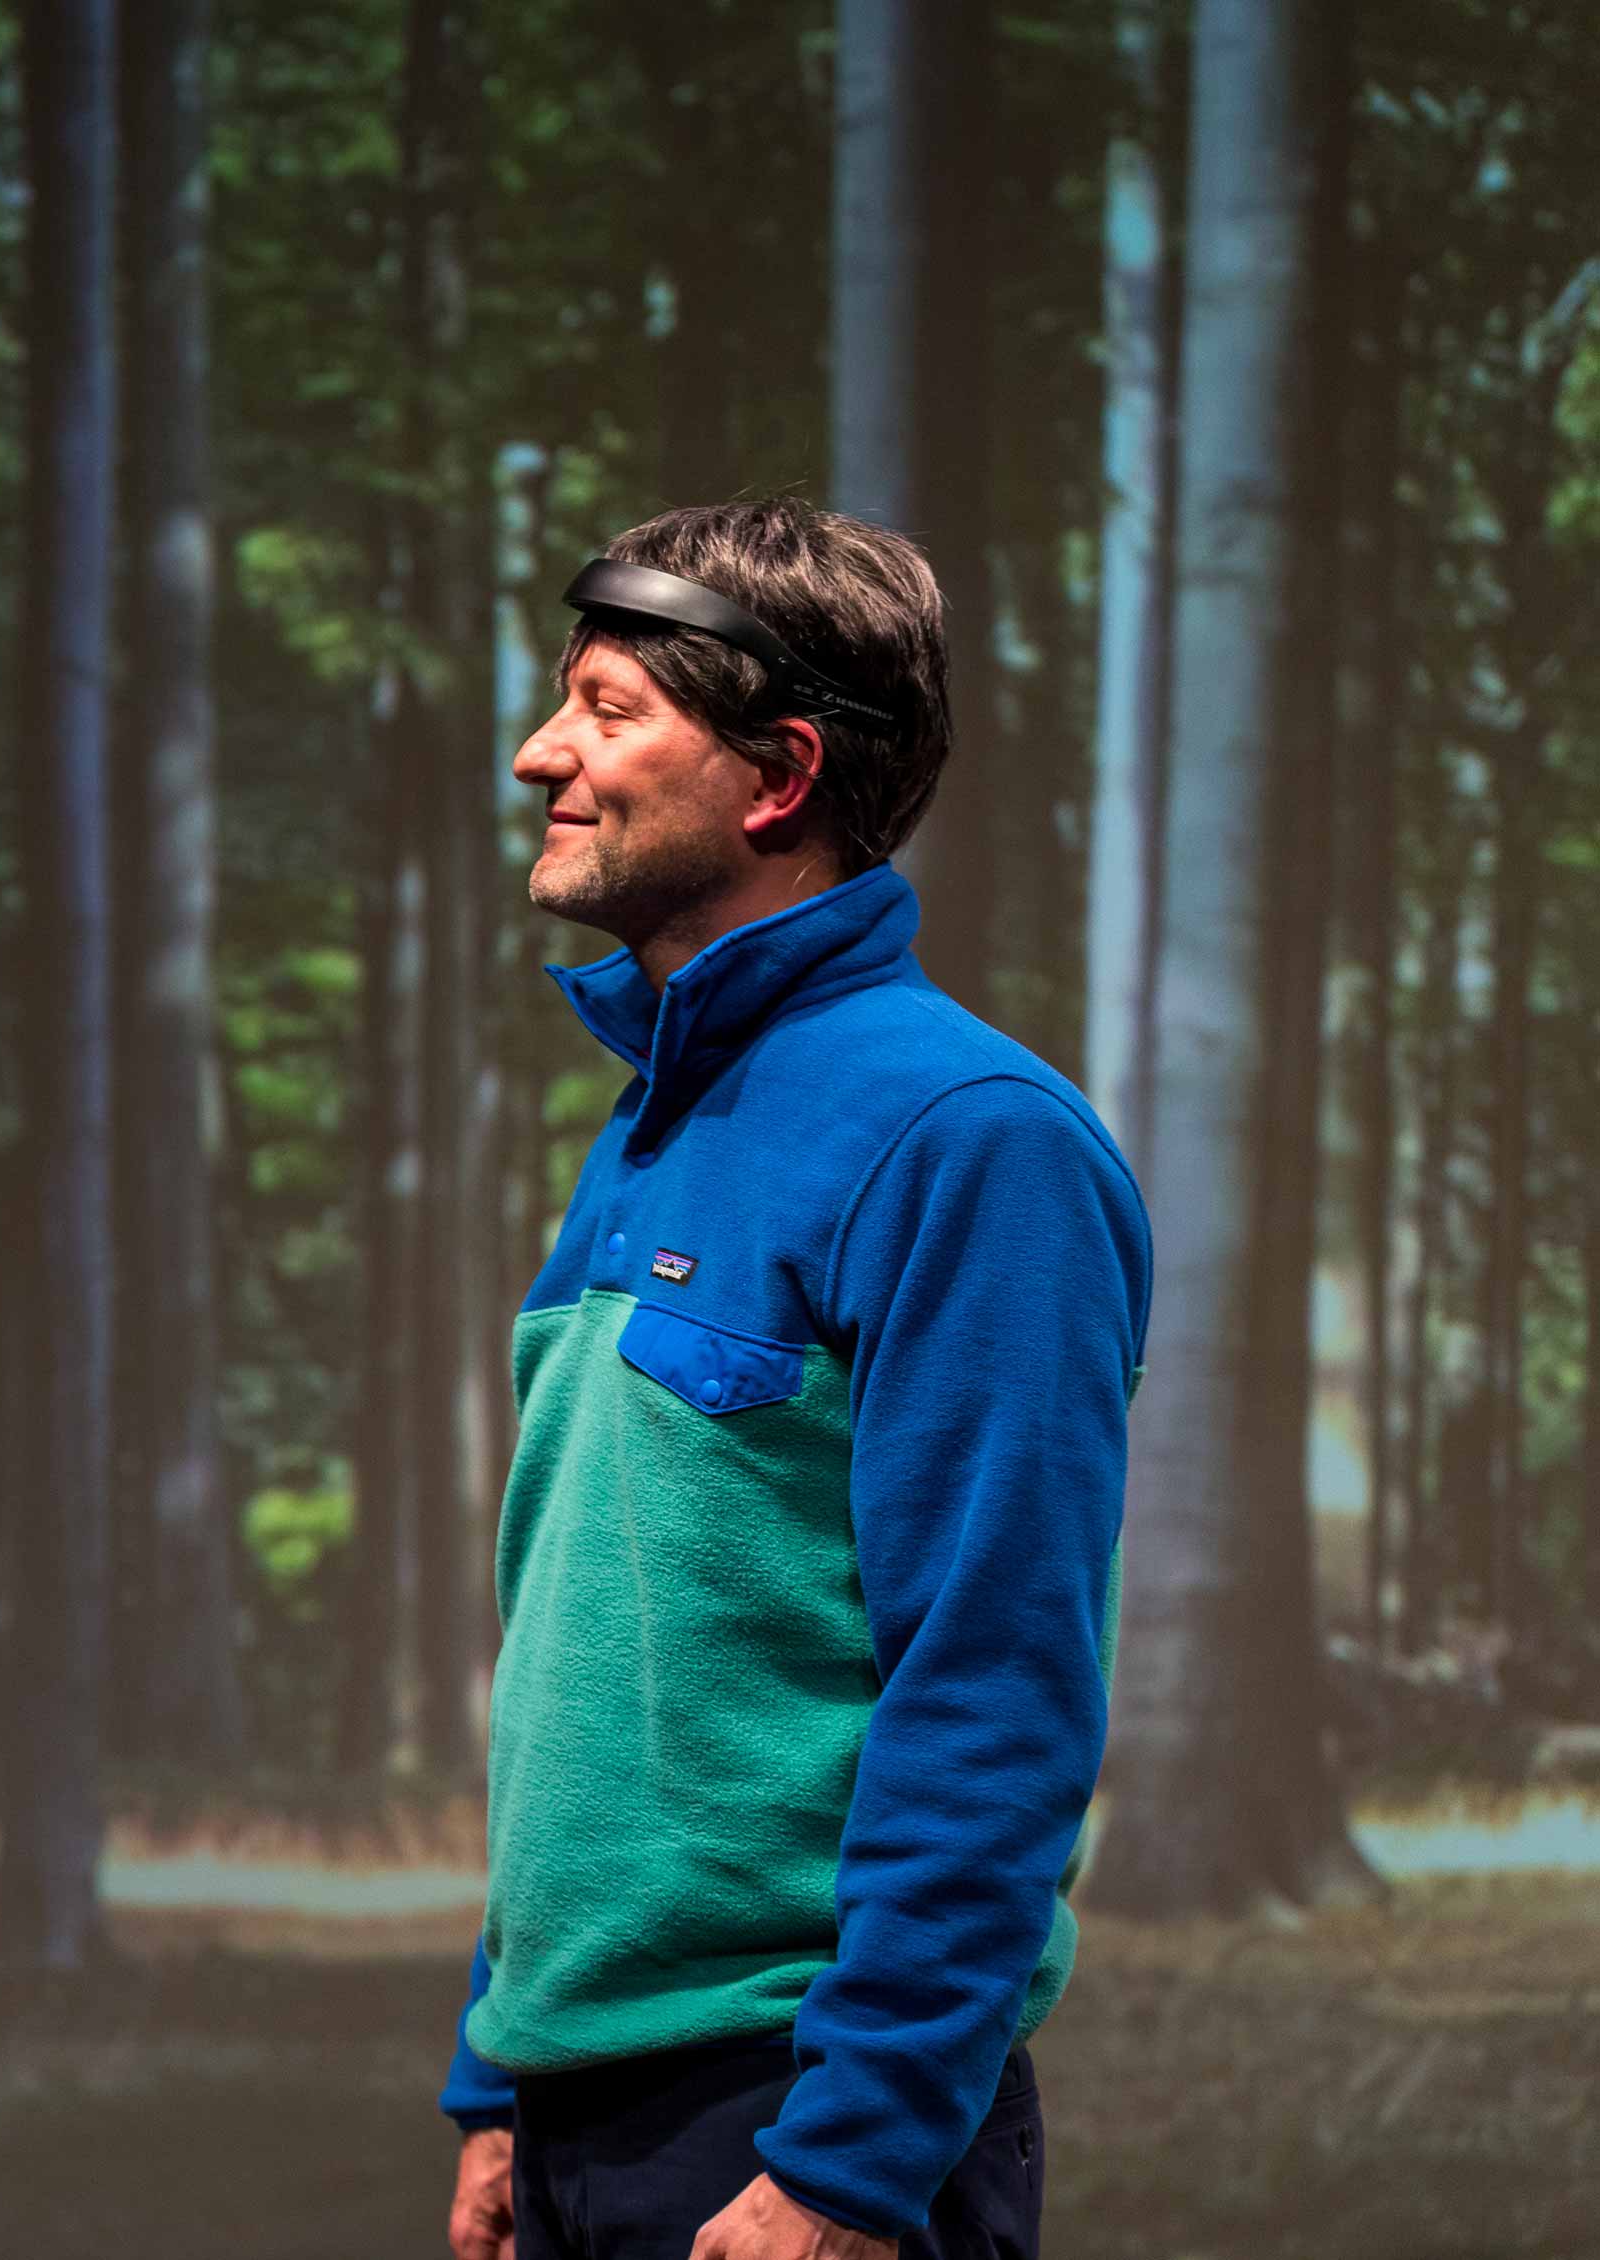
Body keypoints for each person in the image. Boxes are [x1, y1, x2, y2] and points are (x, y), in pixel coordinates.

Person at [437, 500, 1150, 2260]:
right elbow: (589, 1640)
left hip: (797, 2125)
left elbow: (993, 1689)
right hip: (583, 2115)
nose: (544, 753)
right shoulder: (656, 1119)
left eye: (608, 710)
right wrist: (497, 2074)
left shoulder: (970, 1142)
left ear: (778, 775)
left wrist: (849, 2156)